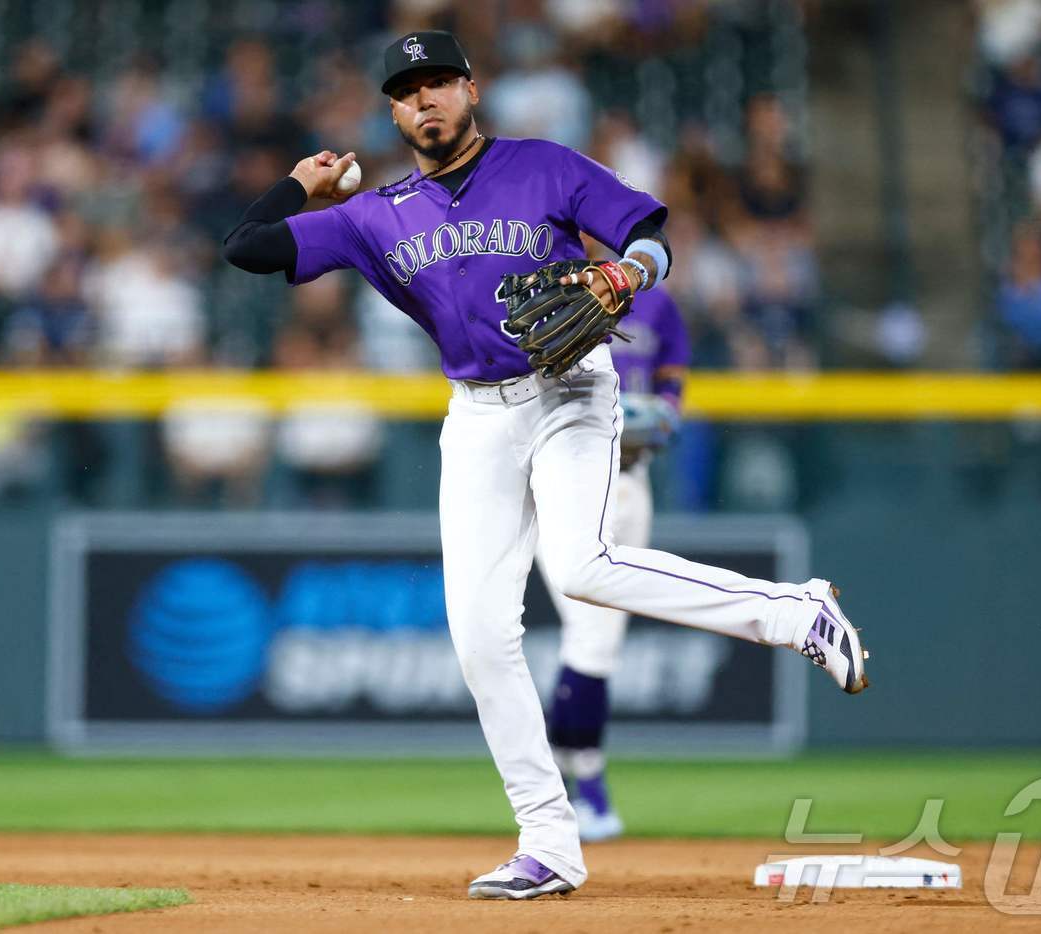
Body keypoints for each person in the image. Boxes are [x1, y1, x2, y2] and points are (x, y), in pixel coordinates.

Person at [221, 30, 868, 901]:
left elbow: (652, 235)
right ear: (392, 109)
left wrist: (629, 276)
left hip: (570, 392)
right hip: (477, 418)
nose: (426, 100)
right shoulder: (376, 214)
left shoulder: (542, 165)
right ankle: (549, 843)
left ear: (471, 88)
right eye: (408, 89)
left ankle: (794, 613)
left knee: (581, 566)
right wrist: (298, 185)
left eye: (440, 81)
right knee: (480, 638)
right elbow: (247, 247)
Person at [543, 278, 688, 844]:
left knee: (598, 641)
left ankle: (560, 784)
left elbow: (674, 376)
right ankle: (589, 792)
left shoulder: (657, 300)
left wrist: (663, 410)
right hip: (565, 483)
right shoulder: (550, 281)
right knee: (590, 637)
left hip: (632, 480)